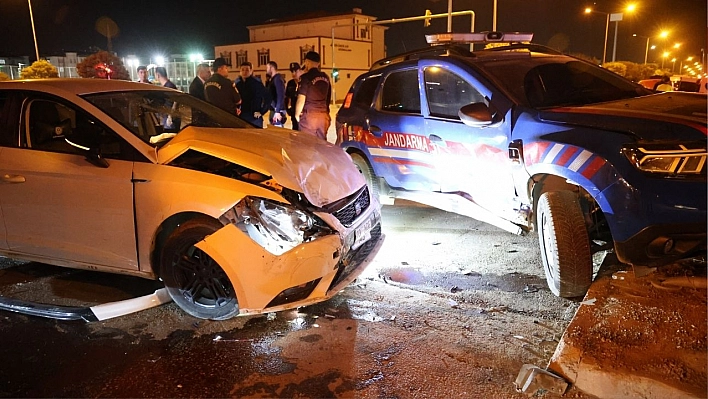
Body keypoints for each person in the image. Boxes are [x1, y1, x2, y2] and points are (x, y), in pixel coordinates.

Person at [295, 51, 331, 140]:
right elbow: (328, 98)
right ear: (318, 63)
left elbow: (301, 98)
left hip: (309, 117)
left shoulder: (305, 77)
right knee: (322, 144)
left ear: (307, 62)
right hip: (323, 116)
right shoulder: (326, 77)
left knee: (307, 144)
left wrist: (297, 114)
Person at [235, 61, 270, 128]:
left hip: (254, 118)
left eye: (247, 70)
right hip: (241, 116)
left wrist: (262, 111)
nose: (245, 72)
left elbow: (268, 97)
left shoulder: (257, 83)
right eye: (242, 70)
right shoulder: (238, 84)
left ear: (251, 71)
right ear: (240, 71)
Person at [265, 61, 286, 127]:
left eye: (267, 68)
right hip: (274, 110)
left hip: (277, 111)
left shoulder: (277, 79)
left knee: (277, 131)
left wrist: (277, 111)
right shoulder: (274, 79)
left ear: (271, 68)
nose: (266, 70)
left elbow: (280, 95)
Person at [284, 62, 301, 131]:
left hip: (303, 116)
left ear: (299, 71)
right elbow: (287, 97)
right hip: (293, 114)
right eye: (292, 71)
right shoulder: (290, 83)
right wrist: (288, 110)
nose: (293, 74)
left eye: (295, 71)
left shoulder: (304, 82)